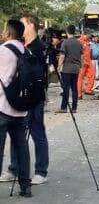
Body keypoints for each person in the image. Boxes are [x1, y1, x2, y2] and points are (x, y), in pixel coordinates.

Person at [1, 14, 49, 186]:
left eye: (22, 23)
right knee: (17, 134)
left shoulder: (39, 47)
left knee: (37, 132)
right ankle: (14, 168)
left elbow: (41, 76)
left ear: (30, 25)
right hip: (18, 96)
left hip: (34, 97)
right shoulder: (21, 46)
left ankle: (41, 171)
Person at [0, 19, 32, 197]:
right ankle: (25, 187)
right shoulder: (26, 50)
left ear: (8, 32)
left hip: (3, 107)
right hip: (22, 108)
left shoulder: (3, 50)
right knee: (21, 147)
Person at [57, 25, 83, 113]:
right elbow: (81, 56)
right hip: (76, 69)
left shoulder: (65, 42)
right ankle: (74, 107)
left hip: (67, 69)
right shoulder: (79, 43)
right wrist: (81, 66)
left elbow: (62, 56)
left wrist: (59, 66)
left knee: (66, 88)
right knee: (74, 88)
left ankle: (64, 107)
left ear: (67, 32)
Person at [77, 34, 95, 99]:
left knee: (92, 74)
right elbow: (78, 52)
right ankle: (79, 94)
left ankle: (88, 90)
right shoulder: (79, 41)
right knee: (80, 78)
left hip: (88, 61)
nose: (90, 40)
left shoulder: (87, 42)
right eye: (90, 39)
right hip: (82, 62)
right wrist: (81, 61)